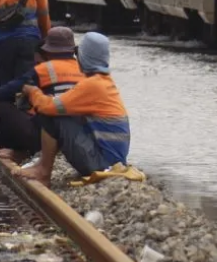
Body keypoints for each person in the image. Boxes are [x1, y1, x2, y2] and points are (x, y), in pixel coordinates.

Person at [0, 27, 84, 165]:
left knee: (2, 107)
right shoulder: (83, 70)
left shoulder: (44, 69)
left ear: (48, 51)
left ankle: (15, 152)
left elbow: (10, 88)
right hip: (77, 136)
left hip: (48, 137)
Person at [15, 32, 130, 185]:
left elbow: (48, 107)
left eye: (77, 53)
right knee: (62, 111)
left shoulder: (92, 85)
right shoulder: (104, 81)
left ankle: (43, 170)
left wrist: (33, 92)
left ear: (85, 57)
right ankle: (41, 165)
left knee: (51, 114)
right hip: (112, 162)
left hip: (101, 165)